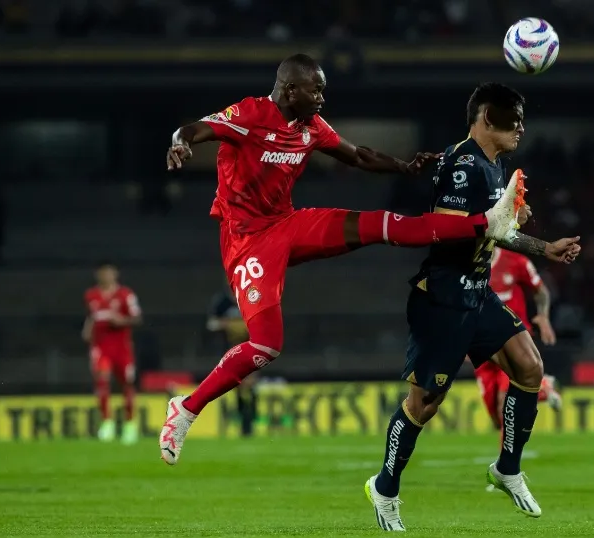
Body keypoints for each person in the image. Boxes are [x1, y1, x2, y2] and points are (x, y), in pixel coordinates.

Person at [159, 54, 526, 465]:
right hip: (247, 241)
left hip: (288, 224)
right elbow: (192, 128)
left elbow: (359, 156)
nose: (321, 97)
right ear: (290, 89)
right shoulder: (249, 113)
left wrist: (403, 167)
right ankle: (186, 409)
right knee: (265, 344)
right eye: (315, 90)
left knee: (381, 225)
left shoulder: (310, 127)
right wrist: (179, 143)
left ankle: (485, 223)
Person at [364, 83, 581, 531]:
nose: (521, 126)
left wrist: (545, 248)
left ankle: (507, 468)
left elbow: (498, 233)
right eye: (512, 118)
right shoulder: (464, 164)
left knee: (529, 366)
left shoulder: (495, 166)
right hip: (442, 298)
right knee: (424, 403)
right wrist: (498, 219)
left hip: (477, 293)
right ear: (486, 118)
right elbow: (444, 227)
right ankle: (384, 487)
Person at [476, 247, 561, 431]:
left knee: (504, 406)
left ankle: (507, 460)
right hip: (481, 346)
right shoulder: (466, 266)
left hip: (513, 340)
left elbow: (541, 291)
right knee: (496, 419)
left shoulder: (516, 262)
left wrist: (543, 316)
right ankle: (543, 388)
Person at [83, 262, 142, 444]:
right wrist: (87, 330)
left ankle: (130, 424)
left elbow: (137, 318)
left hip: (122, 348)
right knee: (102, 380)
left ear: (115, 274)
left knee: (127, 385)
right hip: (101, 348)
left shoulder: (125, 294)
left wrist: (121, 320)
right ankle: (106, 423)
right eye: (103, 273)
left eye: (109, 272)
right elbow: (92, 317)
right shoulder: (91, 295)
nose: (106, 276)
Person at [206, 284, 257, 437]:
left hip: (250, 348)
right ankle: (243, 420)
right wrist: (227, 324)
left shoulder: (252, 296)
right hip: (228, 350)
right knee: (237, 386)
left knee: (249, 384)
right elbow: (211, 324)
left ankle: (250, 420)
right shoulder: (222, 302)